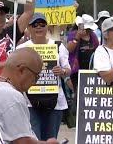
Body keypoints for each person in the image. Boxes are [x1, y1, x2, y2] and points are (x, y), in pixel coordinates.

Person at [17, 13, 71, 141]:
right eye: (35, 25)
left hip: (55, 103)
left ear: (47, 28)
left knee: (51, 141)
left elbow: (68, 70)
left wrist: (62, 71)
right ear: (29, 28)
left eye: (42, 24)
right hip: (29, 103)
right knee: (34, 140)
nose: (39, 28)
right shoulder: (21, 49)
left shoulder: (58, 46)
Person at [0, 47, 59, 144]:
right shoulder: (12, 97)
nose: (35, 83)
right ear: (22, 70)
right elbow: (23, 142)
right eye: (36, 76)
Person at [0, 0, 38, 75]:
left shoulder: (11, 33)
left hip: (9, 85)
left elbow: (29, 13)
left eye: (1, 13)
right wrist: (8, 64)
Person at [67, 14, 99, 92]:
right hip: (76, 71)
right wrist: (78, 36)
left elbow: (98, 48)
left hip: (90, 70)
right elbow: (70, 49)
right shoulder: (73, 34)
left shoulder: (93, 36)